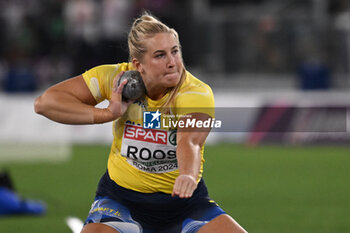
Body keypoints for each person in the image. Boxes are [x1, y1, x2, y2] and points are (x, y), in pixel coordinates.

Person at [34, 12, 247, 233]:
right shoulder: (116, 78)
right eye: (160, 55)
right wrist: (107, 113)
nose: (173, 62)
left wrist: (187, 174)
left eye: (175, 51)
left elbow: (190, 141)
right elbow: (44, 103)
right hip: (121, 201)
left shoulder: (195, 92)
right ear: (138, 64)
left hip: (184, 205)